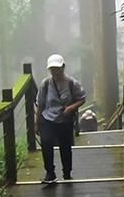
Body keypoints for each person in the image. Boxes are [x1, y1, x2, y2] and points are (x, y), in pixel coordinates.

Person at [34, 54, 86, 185]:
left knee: (65, 146)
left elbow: (82, 98)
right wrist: (37, 123)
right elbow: (40, 104)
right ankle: (50, 173)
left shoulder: (71, 83)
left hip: (65, 120)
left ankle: (67, 172)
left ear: (63, 67)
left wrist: (71, 108)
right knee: (46, 143)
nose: (55, 71)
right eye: (52, 69)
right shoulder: (45, 84)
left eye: (57, 68)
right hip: (47, 118)